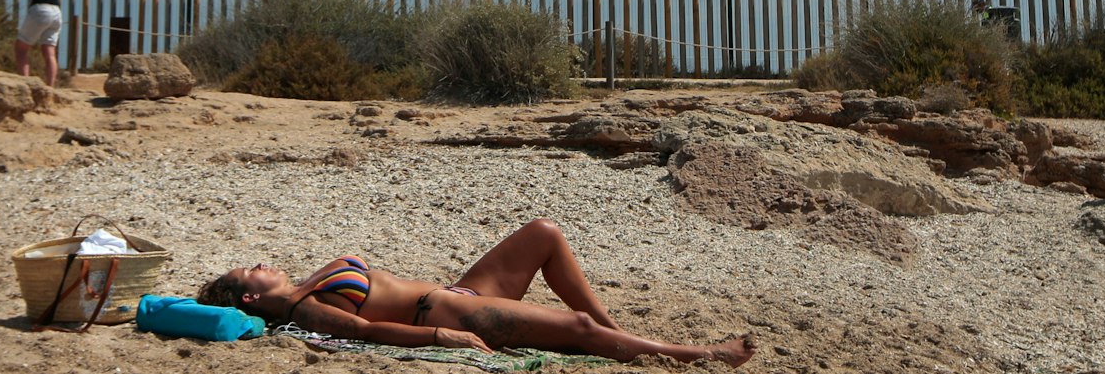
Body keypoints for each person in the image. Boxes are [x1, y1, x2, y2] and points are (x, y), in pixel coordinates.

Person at [195, 218, 755, 366]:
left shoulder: (310, 281)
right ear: (247, 298)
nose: (260, 262)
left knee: (544, 234)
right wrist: (442, 335)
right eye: (251, 271)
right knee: (577, 334)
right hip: (453, 313)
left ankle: (611, 330)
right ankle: (705, 355)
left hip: (460, 289)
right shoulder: (303, 307)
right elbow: (364, 331)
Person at [16, 0, 63, 88]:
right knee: (49, 52)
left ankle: (24, 83)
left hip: (41, 10)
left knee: (21, 48)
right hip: (56, 12)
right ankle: (50, 86)